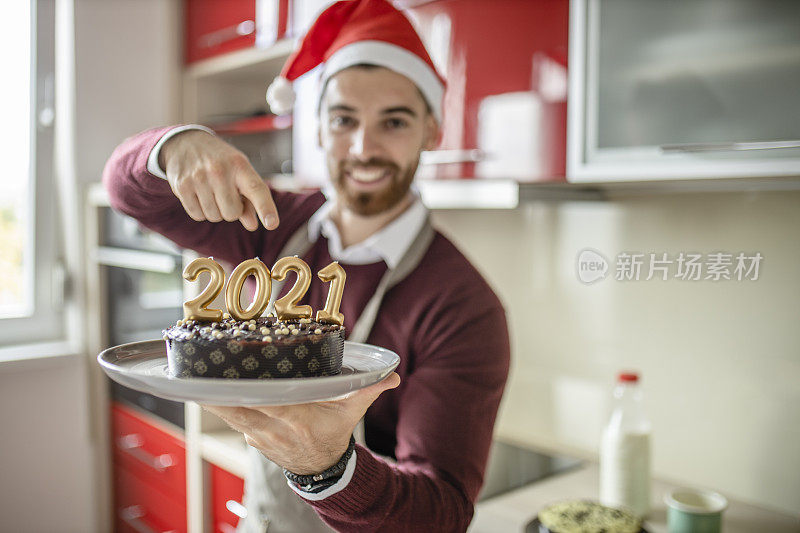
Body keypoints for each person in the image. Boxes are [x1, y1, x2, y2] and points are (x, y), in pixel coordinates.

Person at [103, 0, 509, 531]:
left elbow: (442, 512)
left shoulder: (461, 305)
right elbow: (126, 192)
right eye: (344, 119)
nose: (364, 148)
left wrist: (328, 469)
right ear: (317, 128)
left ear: (432, 132)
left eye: (394, 121)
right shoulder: (270, 223)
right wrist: (174, 146)